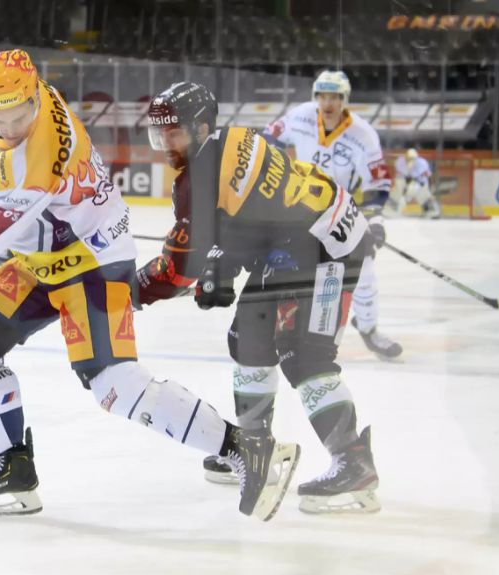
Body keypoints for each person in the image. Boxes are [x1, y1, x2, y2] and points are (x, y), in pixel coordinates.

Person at [0, 50, 300, 521]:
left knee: (116, 385)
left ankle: (244, 449)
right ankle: (13, 469)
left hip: (94, 262)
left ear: (35, 96)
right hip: (38, 257)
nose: (8, 125)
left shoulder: (37, 163)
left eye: (20, 114)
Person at [138, 81, 381, 514]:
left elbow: (180, 271)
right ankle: (256, 448)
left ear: (201, 127)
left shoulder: (198, 181)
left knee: (305, 354)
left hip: (327, 249)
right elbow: (251, 222)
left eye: (173, 133)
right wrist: (222, 261)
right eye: (160, 134)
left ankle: (354, 464)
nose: (165, 144)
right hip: (296, 243)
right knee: (248, 337)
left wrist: (137, 289)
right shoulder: (236, 137)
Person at [263, 71, 402, 360]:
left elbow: (377, 182)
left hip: (342, 211)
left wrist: (374, 220)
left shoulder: (363, 135)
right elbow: (270, 135)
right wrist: (275, 165)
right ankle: (277, 328)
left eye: (335, 97)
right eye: (323, 96)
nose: (328, 103)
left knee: (362, 268)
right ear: (316, 97)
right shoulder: (301, 116)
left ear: (344, 99)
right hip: (300, 208)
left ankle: (368, 328)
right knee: (286, 266)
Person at [392, 148, 438, 218]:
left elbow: (426, 176)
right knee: (400, 195)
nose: (410, 160)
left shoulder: (422, 163)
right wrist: (403, 188)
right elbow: (400, 177)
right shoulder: (400, 161)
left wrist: (429, 187)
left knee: (423, 197)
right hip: (404, 181)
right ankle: (393, 211)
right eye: (409, 158)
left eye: (412, 158)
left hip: (420, 182)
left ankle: (432, 212)